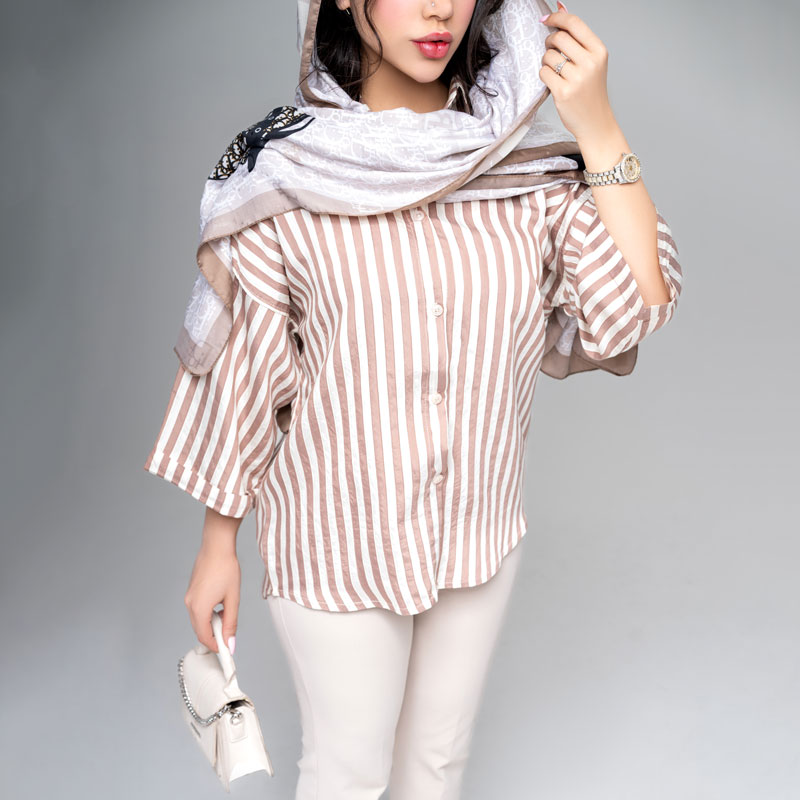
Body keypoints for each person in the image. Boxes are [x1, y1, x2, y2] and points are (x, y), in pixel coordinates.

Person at [144, 0, 683, 797]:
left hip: (477, 533)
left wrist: (599, 128)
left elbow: (634, 305)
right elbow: (247, 370)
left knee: (435, 771)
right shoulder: (288, 171)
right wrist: (217, 544)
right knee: (349, 773)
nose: (439, 9)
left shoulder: (524, 174)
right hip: (335, 543)